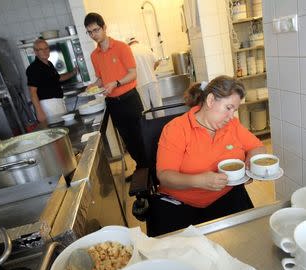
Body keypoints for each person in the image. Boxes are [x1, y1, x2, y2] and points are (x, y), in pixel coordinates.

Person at [148, 75, 267, 236]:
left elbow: (257, 147)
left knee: (251, 238)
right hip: (181, 204)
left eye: (235, 110)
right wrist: (199, 181)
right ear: (210, 100)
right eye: (228, 108)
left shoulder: (232, 125)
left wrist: (250, 164)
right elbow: (164, 176)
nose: (232, 116)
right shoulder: (176, 129)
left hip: (225, 196)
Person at [84, 13, 146, 176]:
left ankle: (151, 172)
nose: (93, 35)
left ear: (104, 27)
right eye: (89, 32)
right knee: (128, 141)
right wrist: (93, 85)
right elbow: (101, 79)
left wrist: (116, 83)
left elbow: (133, 74)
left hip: (130, 99)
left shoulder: (121, 47)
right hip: (113, 103)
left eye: (96, 30)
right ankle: (140, 168)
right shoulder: (94, 56)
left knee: (141, 137)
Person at [26, 39, 77, 123]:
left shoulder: (49, 64)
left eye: (46, 48)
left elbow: (58, 78)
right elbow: (32, 92)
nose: (45, 51)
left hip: (58, 101)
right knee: (56, 129)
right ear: (35, 52)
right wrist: (39, 112)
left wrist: (73, 73)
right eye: (41, 49)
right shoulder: (33, 68)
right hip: (47, 105)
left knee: (64, 127)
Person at [126, 36, 164, 118]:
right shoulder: (145, 48)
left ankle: (150, 128)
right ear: (136, 41)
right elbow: (157, 61)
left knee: (146, 109)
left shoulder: (128, 51)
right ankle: (162, 127)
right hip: (152, 81)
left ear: (128, 43)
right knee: (158, 106)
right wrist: (152, 69)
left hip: (140, 83)